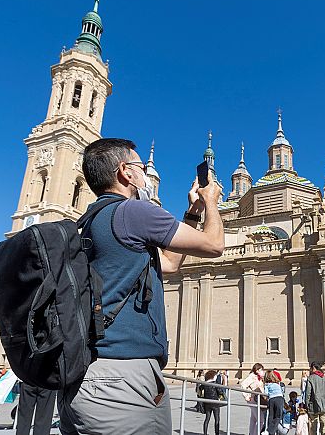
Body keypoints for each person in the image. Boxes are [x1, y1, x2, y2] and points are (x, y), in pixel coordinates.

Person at [60, 138, 224, 434]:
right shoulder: (134, 213)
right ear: (125, 172)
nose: (145, 175)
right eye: (140, 167)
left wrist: (193, 213)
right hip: (123, 379)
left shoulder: (90, 221)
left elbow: (170, 264)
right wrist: (211, 200)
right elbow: (214, 245)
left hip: (85, 377)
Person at [304, 362, 325, 435]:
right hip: (324, 404)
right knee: (324, 421)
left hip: (313, 404)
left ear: (313, 368)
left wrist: (306, 404)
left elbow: (308, 394)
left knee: (313, 423)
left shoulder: (311, 378)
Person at [241, 363, 266, 435]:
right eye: (260, 369)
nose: (262, 371)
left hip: (258, 399)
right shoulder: (252, 376)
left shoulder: (259, 378)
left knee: (254, 419)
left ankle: (251, 433)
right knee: (261, 419)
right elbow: (243, 385)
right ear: (257, 370)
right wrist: (246, 395)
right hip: (252, 399)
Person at [200, 370, 222, 435]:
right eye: (215, 376)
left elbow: (200, 389)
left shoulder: (205, 384)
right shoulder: (215, 383)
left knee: (207, 418)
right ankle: (217, 433)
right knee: (217, 419)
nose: (216, 377)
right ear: (212, 376)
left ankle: (205, 433)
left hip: (207, 403)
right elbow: (220, 392)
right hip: (215, 403)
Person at [264, 370, 285, 435]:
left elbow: (266, 393)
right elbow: (281, 392)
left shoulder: (267, 385)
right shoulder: (277, 384)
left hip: (271, 399)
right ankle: (271, 430)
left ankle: (270, 432)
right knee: (278, 416)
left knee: (271, 416)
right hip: (279, 399)